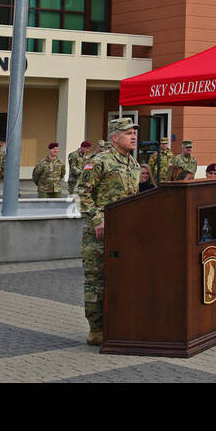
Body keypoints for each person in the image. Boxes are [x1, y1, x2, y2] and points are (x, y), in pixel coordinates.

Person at [76, 117, 142, 343]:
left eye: (134, 133)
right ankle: (96, 329)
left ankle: (120, 324)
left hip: (126, 232)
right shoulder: (99, 161)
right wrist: (97, 220)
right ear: (114, 137)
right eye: (127, 133)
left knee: (124, 279)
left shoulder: (133, 164)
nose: (133, 136)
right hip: (100, 233)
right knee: (97, 280)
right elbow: (82, 194)